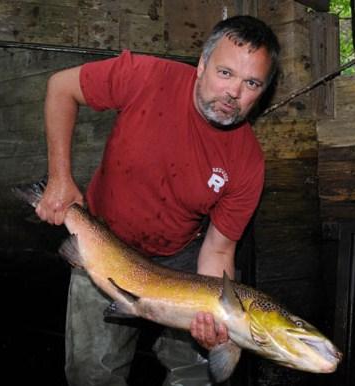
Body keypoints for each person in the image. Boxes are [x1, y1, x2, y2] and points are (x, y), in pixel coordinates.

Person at [36, 15, 279, 386]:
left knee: (198, 375)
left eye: (251, 83)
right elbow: (60, 87)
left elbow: (217, 250)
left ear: (262, 90)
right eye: (225, 73)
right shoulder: (145, 76)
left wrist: (215, 320)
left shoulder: (248, 162)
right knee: (91, 373)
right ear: (201, 64)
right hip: (104, 242)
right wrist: (59, 178)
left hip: (181, 260)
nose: (233, 93)